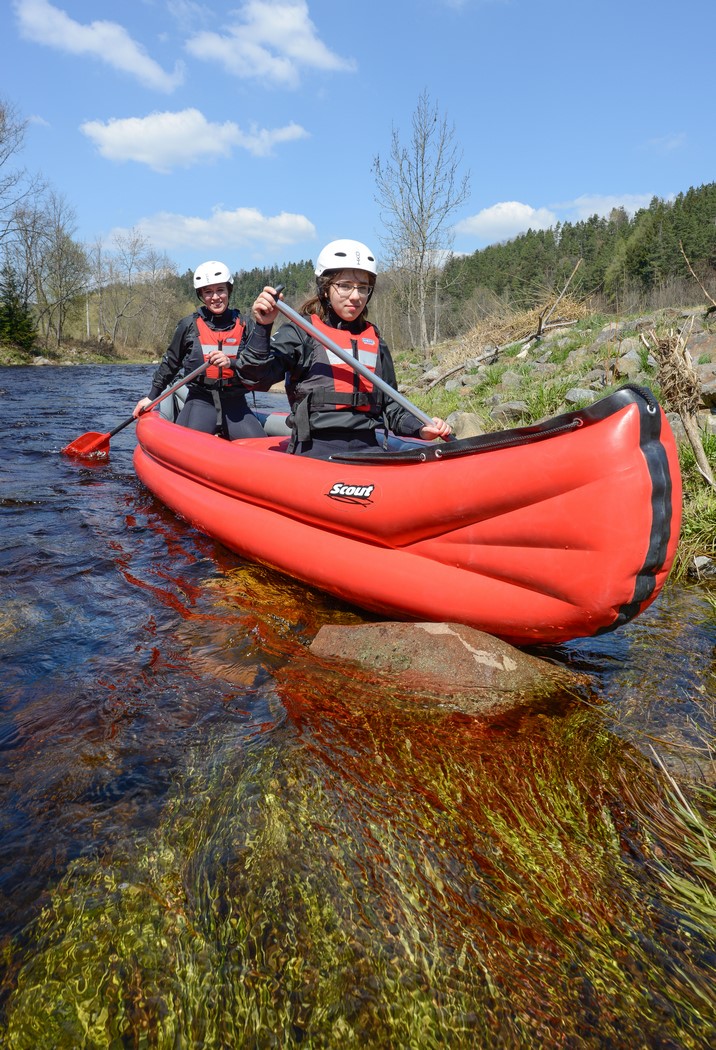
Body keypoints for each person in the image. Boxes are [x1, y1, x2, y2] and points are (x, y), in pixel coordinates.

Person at [242, 239, 452, 458]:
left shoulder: (376, 341)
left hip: (368, 447)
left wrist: (420, 428)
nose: (355, 296)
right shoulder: (300, 333)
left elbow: (392, 406)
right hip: (315, 447)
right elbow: (254, 379)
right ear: (325, 289)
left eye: (363, 287)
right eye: (345, 286)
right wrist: (262, 327)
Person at [133, 260, 266, 439]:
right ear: (201, 295)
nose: (215, 297)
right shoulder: (188, 325)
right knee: (183, 448)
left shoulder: (246, 325)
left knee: (260, 448)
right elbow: (171, 363)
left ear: (229, 290)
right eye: (208, 292)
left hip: (235, 402)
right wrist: (151, 397)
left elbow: (258, 366)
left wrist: (231, 362)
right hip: (200, 401)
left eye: (220, 290)